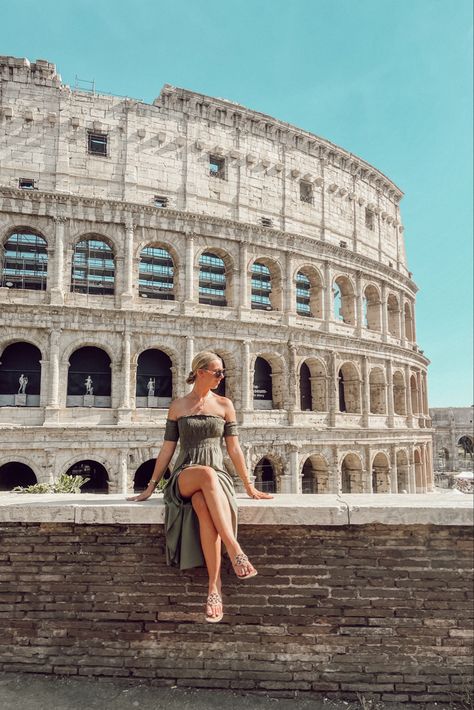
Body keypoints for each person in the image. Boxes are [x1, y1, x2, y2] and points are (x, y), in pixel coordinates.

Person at [128, 350, 273, 623]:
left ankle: (213, 587)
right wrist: (150, 487)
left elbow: (234, 449)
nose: (221, 377)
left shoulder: (225, 405)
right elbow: (167, 449)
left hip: (218, 477)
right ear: (201, 372)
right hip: (186, 474)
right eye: (217, 372)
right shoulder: (178, 406)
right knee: (205, 475)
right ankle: (235, 549)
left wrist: (249, 486)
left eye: (222, 373)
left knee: (203, 504)